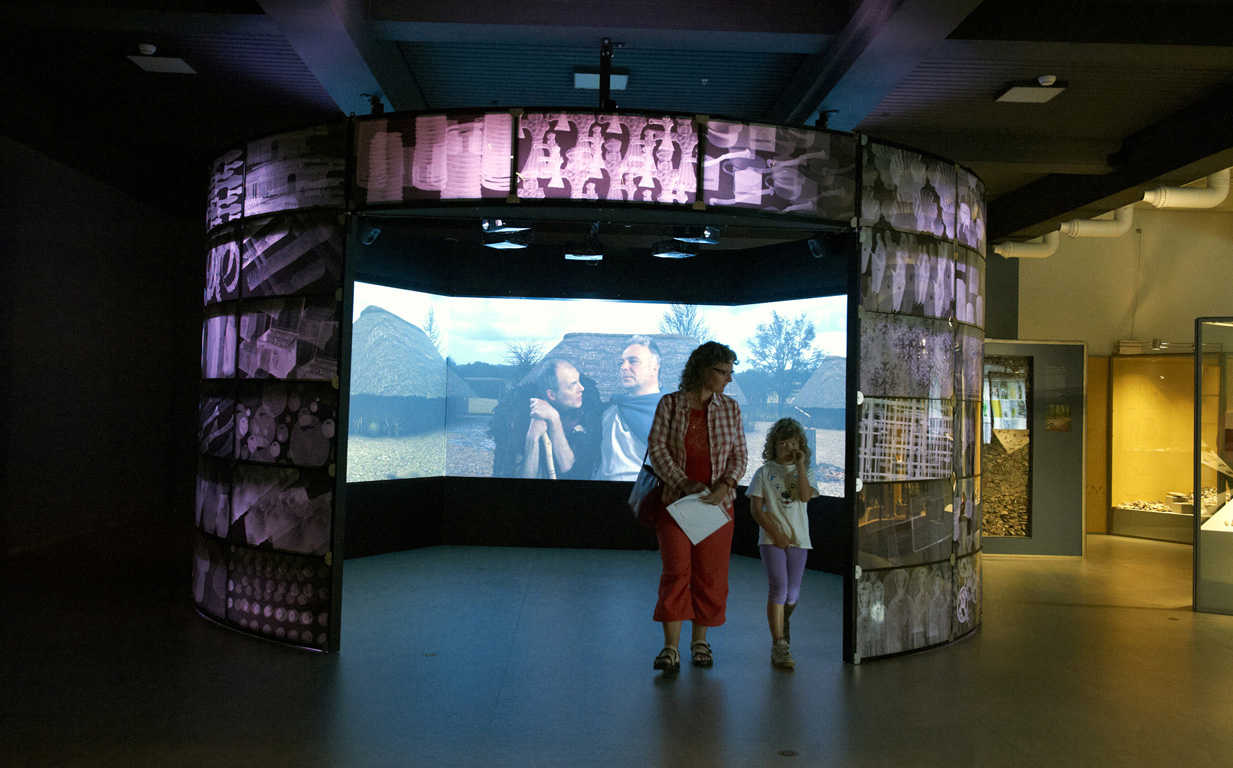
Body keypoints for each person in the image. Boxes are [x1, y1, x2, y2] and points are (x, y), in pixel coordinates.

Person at [647, 341, 746, 676]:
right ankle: (670, 648)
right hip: (675, 503)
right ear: (703, 369)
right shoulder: (670, 403)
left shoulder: (730, 408)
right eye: (722, 372)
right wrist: (683, 482)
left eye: (730, 372)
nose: (728, 379)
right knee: (676, 572)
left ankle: (700, 643)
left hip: (717, 506)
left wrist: (725, 486)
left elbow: (740, 455)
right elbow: (657, 448)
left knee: (710, 575)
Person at [747, 418, 818, 670]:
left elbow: (805, 496)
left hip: (799, 539)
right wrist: (775, 533)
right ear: (774, 445)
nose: (788, 448)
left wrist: (800, 467)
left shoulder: (806, 471)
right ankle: (779, 643)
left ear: (801, 445)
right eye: (783, 443)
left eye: (793, 443)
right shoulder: (763, 472)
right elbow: (756, 509)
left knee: (793, 593)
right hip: (771, 539)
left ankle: (782, 621)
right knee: (779, 587)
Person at [490, 358, 600, 480]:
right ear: (551, 395)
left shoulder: (588, 415)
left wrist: (554, 419)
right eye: (572, 385)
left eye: (579, 381)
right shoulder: (521, 416)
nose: (582, 388)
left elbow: (575, 473)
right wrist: (532, 438)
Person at [593, 336, 663, 482]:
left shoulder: (674, 413)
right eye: (622, 362)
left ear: (654, 368)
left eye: (633, 361)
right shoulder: (610, 411)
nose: (623, 367)